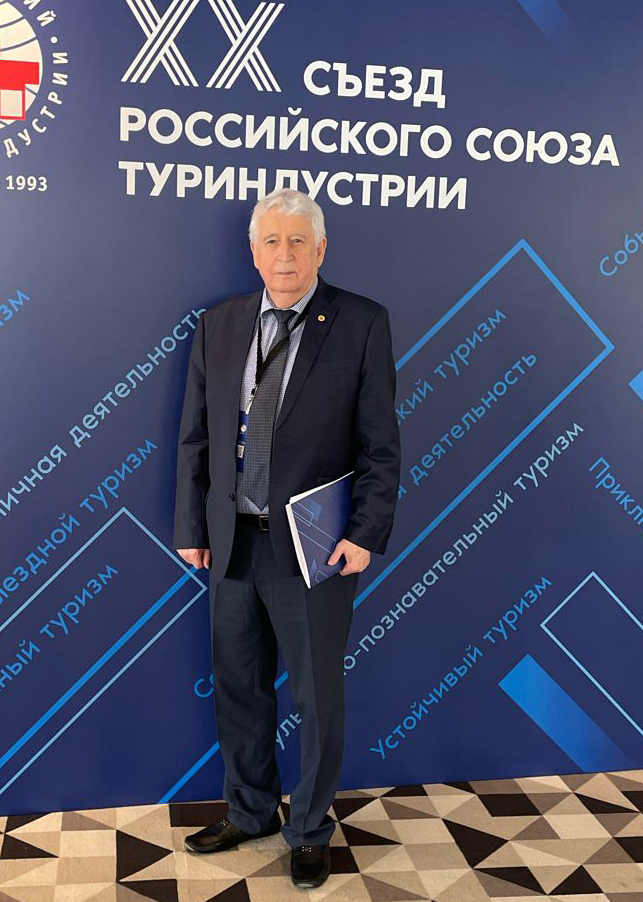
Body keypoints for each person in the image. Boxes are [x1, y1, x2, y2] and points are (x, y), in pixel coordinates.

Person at [173, 188, 401, 889]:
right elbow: (195, 439)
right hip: (231, 544)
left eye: (298, 241)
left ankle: (309, 829)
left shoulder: (361, 322)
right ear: (253, 251)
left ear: (321, 249)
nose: (285, 255)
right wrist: (191, 527)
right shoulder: (218, 325)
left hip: (314, 549)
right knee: (239, 688)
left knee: (315, 697)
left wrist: (365, 533)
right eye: (272, 241)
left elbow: (381, 444)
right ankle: (250, 813)